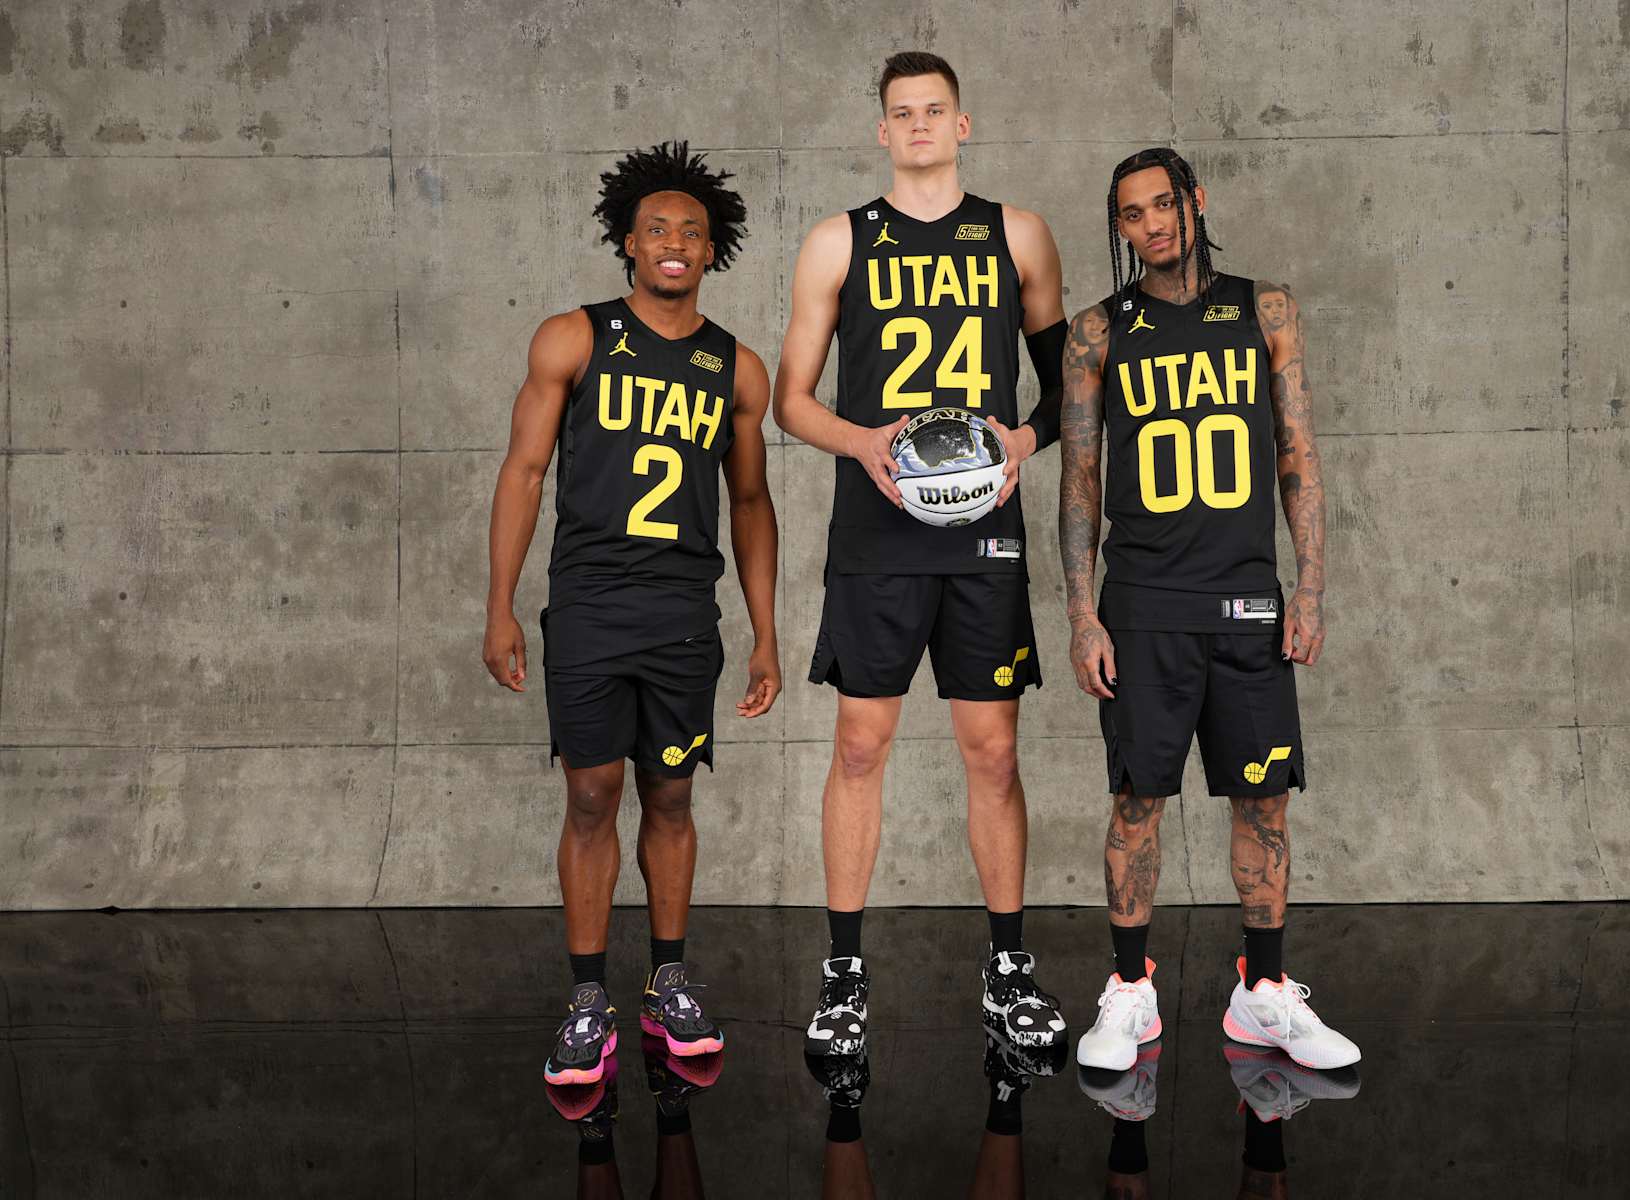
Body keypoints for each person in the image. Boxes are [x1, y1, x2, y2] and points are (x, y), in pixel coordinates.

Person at [773, 51, 1071, 1055]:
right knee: (860, 746)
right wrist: (863, 443)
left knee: (994, 752)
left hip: (983, 532)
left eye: (934, 110)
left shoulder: (1017, 234)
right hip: (877, 531)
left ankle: (1008, 970)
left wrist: (1022, 442)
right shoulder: (838, 241)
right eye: (901, 113)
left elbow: (1067, 388)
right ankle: (844, 976)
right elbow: (791, 401)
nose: (918, 126)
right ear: (882, 130)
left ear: (962, 124)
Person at [483, 142, 780, 1087]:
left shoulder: (736, 367)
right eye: (657, 229)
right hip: (588, 608)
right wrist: (500, 606)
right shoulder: (574, 338)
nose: (674, 243)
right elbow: (525, 472)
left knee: (673, 795)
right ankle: (586, 998)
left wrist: (766, 633)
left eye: (692, 231)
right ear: (628, 241)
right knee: (590, 795)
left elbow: (749, 503)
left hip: (684, 615)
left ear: (713, 249)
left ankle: (668, 983)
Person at [1059, 147, 1359, 1072]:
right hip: (1144, 607)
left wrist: (1311, 587)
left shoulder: (1266, 309)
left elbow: (1298, 454)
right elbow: (1080, 481)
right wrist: (1081, 613)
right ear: (1119, 227)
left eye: (1164, 204)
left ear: (1195, 202)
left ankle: (1263, 993)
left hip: (1247, 603)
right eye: (1132, 213)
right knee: (1137, 801)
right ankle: (1129, 992)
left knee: (1264, 801)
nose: (1151, 225)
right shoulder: (1097, 331)